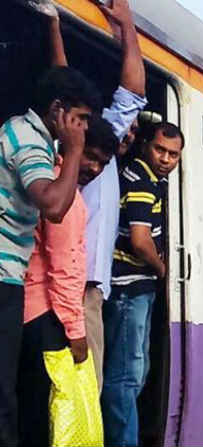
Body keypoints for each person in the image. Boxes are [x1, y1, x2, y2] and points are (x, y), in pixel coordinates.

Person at [46, 0, 148, 392]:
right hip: (74, 288)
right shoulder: (71, 151)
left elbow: (134, 92)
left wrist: (128, 25)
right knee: (79, 393)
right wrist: (54, 24)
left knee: (84, 393)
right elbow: (62, 83)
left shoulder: (101, 144)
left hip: (91, 291)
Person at [0, 65, 100, 446]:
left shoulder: (32, 138)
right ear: (57, 110)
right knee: (7, 397)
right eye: (81, 120)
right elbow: (54, 205)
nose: (83, 130)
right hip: (4, 274)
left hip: (11, 274)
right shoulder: (27, 140)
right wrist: (73, 151)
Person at [16, 114, 118, 446]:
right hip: (48, 317)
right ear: (73, 147)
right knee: (50, 417)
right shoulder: (66, 198)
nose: (95, 168)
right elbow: (64, 267)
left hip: (32, 312)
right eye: (90, 156)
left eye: (103, 163)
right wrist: (76, 332)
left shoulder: (52, 185)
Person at [101, 122, 184, 446]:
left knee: (135, 371)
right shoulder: (143, 182)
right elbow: (139, 240)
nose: (165, 159)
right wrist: (163, 268)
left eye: (173, 154)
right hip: (130, 288)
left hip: (136, 289)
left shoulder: (145, 177)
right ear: (146, 145)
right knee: (124, 378)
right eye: (160, 150)